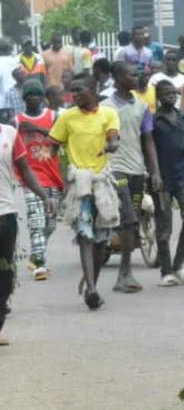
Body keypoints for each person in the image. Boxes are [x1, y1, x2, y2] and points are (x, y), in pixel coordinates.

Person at [50, 73, 121, 310]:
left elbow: (113, 138)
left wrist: (111, 145)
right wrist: (60, 177)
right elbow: (54, 146)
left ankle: (93, 285)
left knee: (101, 241)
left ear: (94, 88)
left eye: (80, 90)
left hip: (101, 182)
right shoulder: (67, 117)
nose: (75, 95)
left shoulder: (108, 114)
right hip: (79, 184)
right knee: (85, 235)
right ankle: (91, 289)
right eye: (72, 91)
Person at [102, 62, 162, 293]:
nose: (136, 77)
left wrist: (154, 171)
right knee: (129, 217)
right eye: (130, 73)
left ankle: (125, 272)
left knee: (133, 220)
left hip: (137, 170)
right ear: (118, 78)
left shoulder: (142, 106)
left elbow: (148, 140)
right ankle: (123, 274)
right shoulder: (105, 107)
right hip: (116, 170)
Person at [0, 113, 52, 343]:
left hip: (5, 215)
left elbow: (25, 169)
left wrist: (43, 196)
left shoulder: (10, 134)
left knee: (4, 271)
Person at [150, 80, 184, 287]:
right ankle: (166, 270)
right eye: (167, 93)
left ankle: (178, 264)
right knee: (164, 227)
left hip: (182, 177)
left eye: (174, 93)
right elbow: (149, 149)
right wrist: (154, 174)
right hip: (162, 179)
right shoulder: (153, 121)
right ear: (159, 97)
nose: (172, 96)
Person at [16, 80, 62, 281]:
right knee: (36, 220)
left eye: (37, 96)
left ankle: (36, 255)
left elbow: (60, 139)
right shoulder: (16, 121)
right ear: (24, 99)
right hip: (31, 178)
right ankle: (40, 266)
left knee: (50, 224)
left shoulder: (53, 117)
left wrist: (35, 128)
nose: (34, 99)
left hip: (53, 176)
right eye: (30, 96)